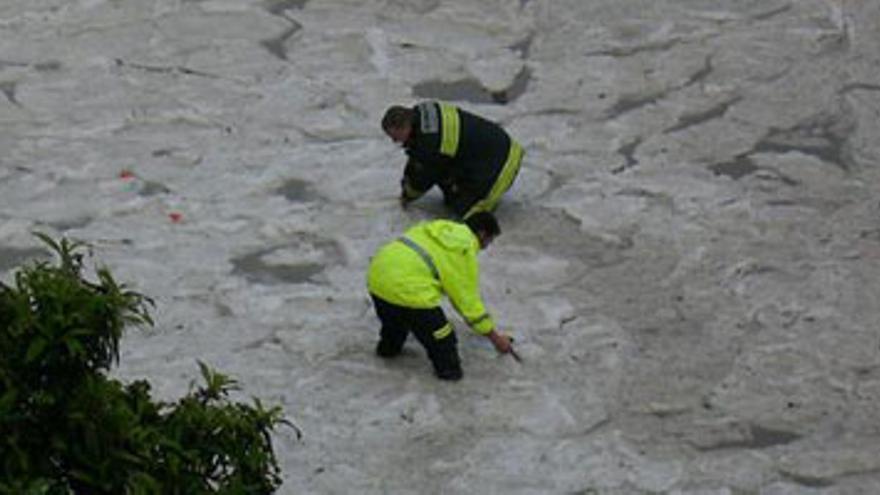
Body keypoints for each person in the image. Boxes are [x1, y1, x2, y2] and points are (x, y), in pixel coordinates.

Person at [366, 211, 513, 380]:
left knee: (395, 320)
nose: (487, 246)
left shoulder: (435, 228)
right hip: (409, 291)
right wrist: (496, 338)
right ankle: (449, 373)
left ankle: (388, 348)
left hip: (377, 278)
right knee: (443, 340)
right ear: (482, 234)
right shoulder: (463, 250)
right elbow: (468, 304)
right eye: (489, 240)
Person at [381, 101, 524, 219]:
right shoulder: (423, 111)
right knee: (447, 182)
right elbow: (420, 158)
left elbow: (423, 176)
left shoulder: (430, 143)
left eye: (395, 136)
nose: (394, 141)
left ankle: (480, 197)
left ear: (406, 126)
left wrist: (407, 195)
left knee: (467, 214)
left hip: (502, 164)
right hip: (493, 146)